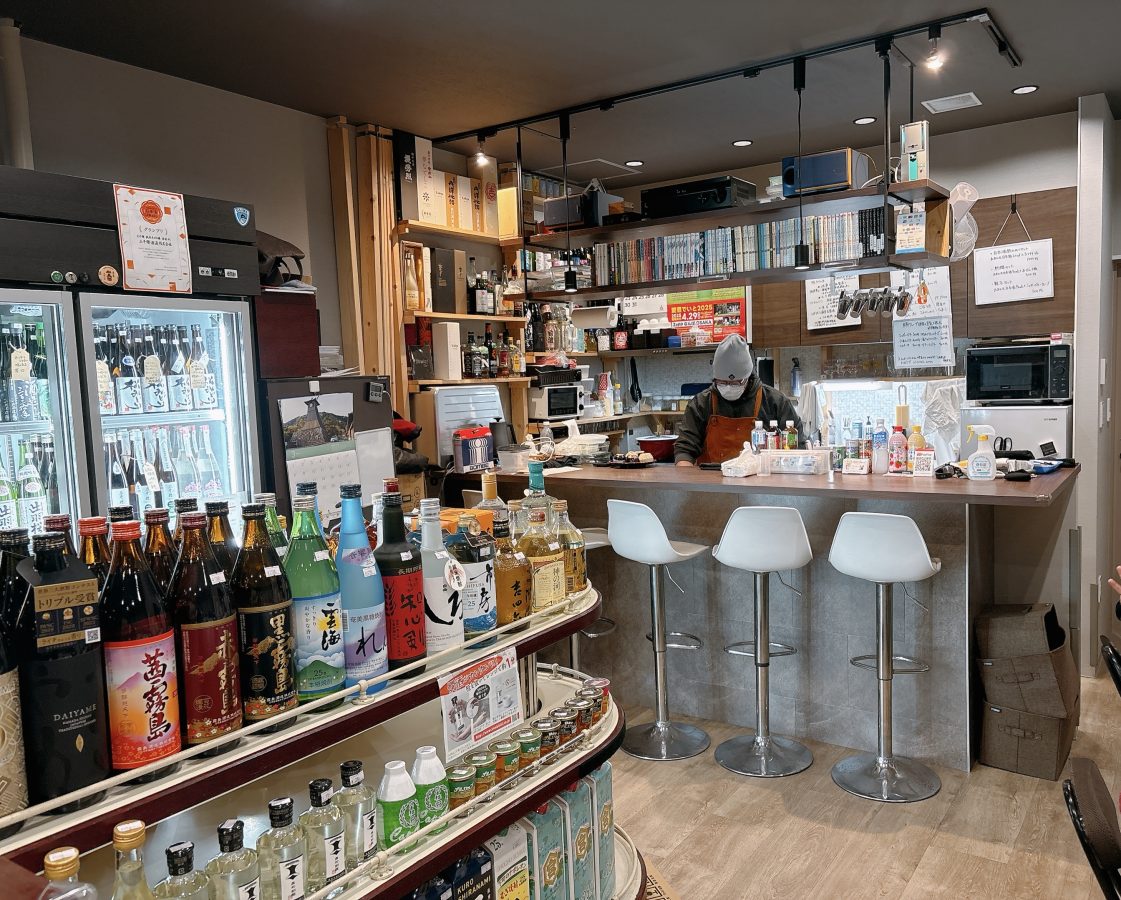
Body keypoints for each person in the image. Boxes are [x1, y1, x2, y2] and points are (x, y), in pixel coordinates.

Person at [674, 334, 805, 466]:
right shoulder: (701, 403)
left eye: (736, 383)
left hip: (761, 477)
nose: (729, 387)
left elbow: (798, 449)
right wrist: (686, 472)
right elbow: (685, 450)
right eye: (722, 382)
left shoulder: (776, 402)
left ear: (748, 376)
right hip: (711, 478)